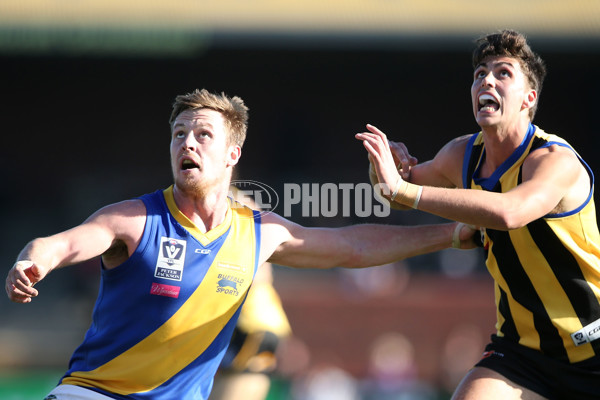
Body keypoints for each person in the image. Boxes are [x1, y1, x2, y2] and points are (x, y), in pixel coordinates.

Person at [6, 88, 476, 400]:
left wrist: (450, 234)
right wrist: (33, 262)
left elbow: (351, 246)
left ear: (233, 154)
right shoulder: (134, 218)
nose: (187, 143)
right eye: (178, 134)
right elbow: (61, 243)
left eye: (203, 135)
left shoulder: (258, 231)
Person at [356, 30, 600, 400]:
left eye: (503, 73)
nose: (486, 79)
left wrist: (404, 189)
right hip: (522, 352)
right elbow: (400, 196)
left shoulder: (555, 161)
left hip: (595, 344)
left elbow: (511, 212)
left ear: (528, 99)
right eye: (480, 73)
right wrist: (384, 171)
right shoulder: (462, 154)